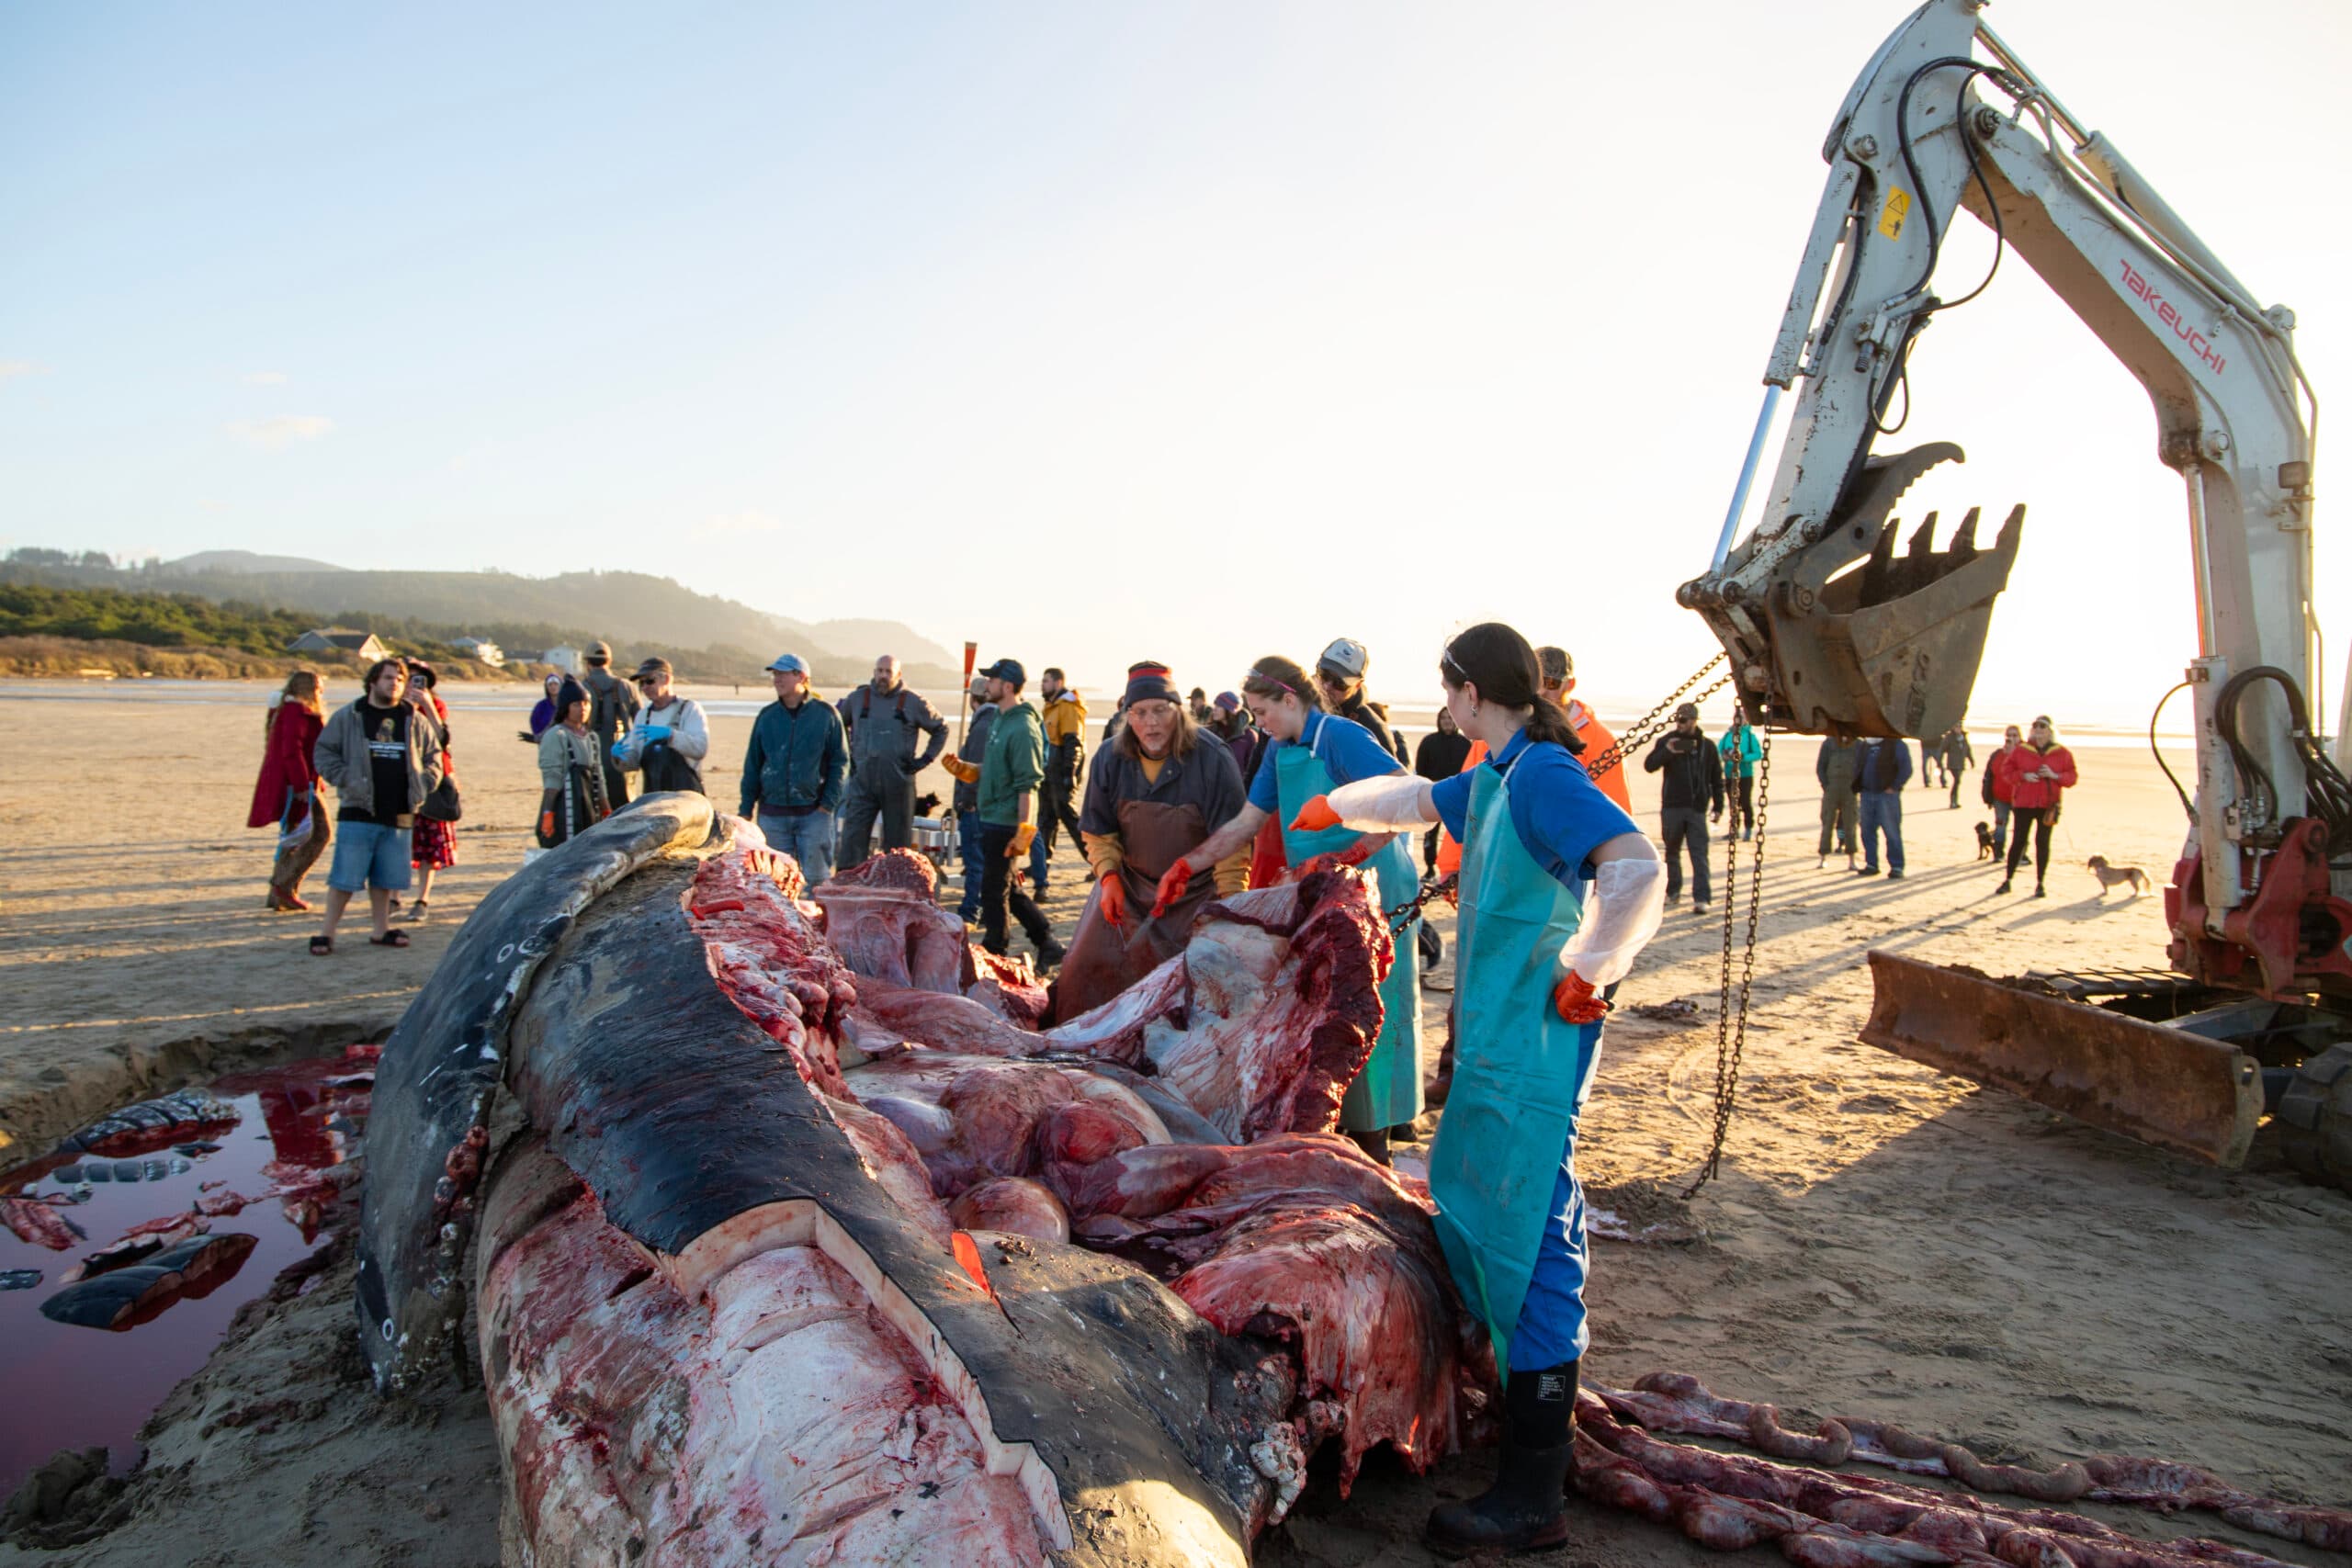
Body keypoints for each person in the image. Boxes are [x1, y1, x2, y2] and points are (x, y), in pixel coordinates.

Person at [1279, 622, 1664, 1554]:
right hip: (1495, 1044)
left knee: (1528, 1236)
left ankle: (1530, 1498)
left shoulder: (1542, 777)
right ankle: (1533, 1449)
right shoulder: (1497, 773)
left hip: (1535, 1042)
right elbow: (1418, 798)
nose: (1443, 703)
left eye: (1447, 690)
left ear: (1467, 689)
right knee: (1492, 1215)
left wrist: (1592, 966)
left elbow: (1635, 864)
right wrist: (1341, 807)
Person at [1156, 653, 1423, 1164]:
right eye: (1253, 714)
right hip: (1324, 887)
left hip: (1377, 880)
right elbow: (1246, 822)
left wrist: (1352, 853)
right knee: (1326, 1003)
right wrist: (1189, 864)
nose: (1259, 722)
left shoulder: (1340, 737)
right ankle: (1335, 1123)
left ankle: (1378, 1139)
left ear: (1290, 699)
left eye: (1263, 711)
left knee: (1373, 1006)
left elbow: (1404, 803)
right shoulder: (1280, 749)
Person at [1050, 663, 1248, 1020]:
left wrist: (1229, 909)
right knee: (1080, 977)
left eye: (1161, 710)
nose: (1150, 722)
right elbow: (1098, 830)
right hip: (1127, 889)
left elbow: (1232, 842)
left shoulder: (1213, 757)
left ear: (1179, 711)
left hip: (1195, 894)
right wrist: (1107, 876)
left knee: (1195, 999)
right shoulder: (1110, 757)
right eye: (1140, 712)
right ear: (1128, 715)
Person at [311, 658, 444, 955]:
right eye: (387, 678)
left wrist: (423, 784)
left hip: (400, 811)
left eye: (399, 679)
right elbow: (324, 751)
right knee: (345, 877)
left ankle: (380, 929)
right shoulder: (351, 716)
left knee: (386, 879)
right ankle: (326, 933)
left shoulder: (414, 718)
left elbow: (435, 754)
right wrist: (346, 779)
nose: (394, 683)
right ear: (372, 682)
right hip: (359, 809)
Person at [940, 660, 1063, 969]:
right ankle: (1047, 942)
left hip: (1007, 820)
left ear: (1007, 686)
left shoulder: (1023, 728)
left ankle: (996, 947)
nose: (987, 685)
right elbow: (995, 769)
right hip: (990, 814)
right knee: (1007, 886)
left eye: (992, 680)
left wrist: (1025, 828)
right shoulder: (1000, 719)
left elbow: (1029, 782)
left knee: (993, 890)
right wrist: (967, 771)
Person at [741, 653, 850, 886]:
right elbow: (753, 764)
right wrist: (746, 809)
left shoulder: (826, 715)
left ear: (801, 677)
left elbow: (840, 762)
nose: (776, 679)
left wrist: (827, 804)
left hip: (814, 814)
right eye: (775, 674)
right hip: (772, 814)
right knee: (773, 883)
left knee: (817, 881)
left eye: (783, 674)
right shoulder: (767, 717)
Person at [837, 654, 949, 867]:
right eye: (879, 671)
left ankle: (895, 893)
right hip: (862, 784)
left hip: (898, 784)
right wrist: (847, 757)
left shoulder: (914, 702)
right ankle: (845, 890)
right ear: (874, 672)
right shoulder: (858, 699)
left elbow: (941, 729)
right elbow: (836, 726)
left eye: (888, 672)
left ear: (898, 675)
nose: (883, 676)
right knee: (851, 844)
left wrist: (925, 759)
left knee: (898, 851)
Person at [248, 670, 328, 911]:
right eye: (319, 687)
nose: (322, 692)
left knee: (292, 836)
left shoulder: (286, 709)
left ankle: (280, 892)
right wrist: (303, 785)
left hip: (294, 782)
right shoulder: (295, 711)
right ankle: (283, 885)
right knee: (318, 834)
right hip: (297, 785)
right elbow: (292, 751)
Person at [1643, 703, 1723, 911]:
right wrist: (1667, 751)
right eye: (1678, 719)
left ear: (1694, 721)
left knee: (1699, 855)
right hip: (1672, 807)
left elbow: (1716, 778)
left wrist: (1719, 806)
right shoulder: (1667, 741)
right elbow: (1649, 765)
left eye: (1684, 720)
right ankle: (1673, 892)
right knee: (1672, 852)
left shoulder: (1708, 747)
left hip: (1697, 808)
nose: (1680, 724)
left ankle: (1702, 898)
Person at [1538, 647, 1630, 812]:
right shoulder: (1500, 729)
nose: (1541, 692)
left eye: (1550, 683)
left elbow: (1616, 812)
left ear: (1569, 684)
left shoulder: (1600, 740)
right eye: (1534, 683)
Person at [1997, 716, 2077, 897]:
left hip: (2048, 806)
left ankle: (2040, 883)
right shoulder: (2021, 751)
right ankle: (2008, 880)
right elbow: (2006, 771)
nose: (2039, 730)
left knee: (2042, 843)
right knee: (2018, 841)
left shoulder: (2062, 753)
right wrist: (2023, 776)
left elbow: (2072, 777)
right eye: (2036, 727)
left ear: (2050, 731)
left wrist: (2054, 775)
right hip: (2024, 803)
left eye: (2043, 727)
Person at [403, 660, 457, 920]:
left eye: (419, 679)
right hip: (400, 780)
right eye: (408, 678)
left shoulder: (435, 705)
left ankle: (422, 898)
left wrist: (425, 706)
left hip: (432, 779)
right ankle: (392, 898)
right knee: (400, 842)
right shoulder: (392, 706)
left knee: (430, 844)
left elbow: (443, 740)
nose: (413, 684)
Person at [1031, 667, 1091, 896]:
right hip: (1048, 772)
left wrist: (1070, 773)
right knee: (1046, 821)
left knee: (1070, 819)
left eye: (1046, 681)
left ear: (1057, 683)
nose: (1042, 685)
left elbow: (1073, 742)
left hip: (1059, 773)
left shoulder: (1067, 707)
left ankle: (1095, 859)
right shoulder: (1051, 708)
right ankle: (1041, 869)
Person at [616, 657, 709, 795]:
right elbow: (633, 762)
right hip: (652, 796)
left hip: (686, 798)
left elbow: (700, 748)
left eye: (649, 681)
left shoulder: (689, 709)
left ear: (666, 679)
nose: (645, 687)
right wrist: (621, 757)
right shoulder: (643, 716)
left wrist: (671, 736)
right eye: (641, 683)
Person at [537, 676, 610, 852]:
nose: (583, 709)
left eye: (586, 703)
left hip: (589, 807)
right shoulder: (556, 735)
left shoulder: (592, 737)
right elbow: (552, 779)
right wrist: (548, 813)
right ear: (565, 707)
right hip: (565, 808)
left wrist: (606, 809)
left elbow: (598, 776)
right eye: (576, 704)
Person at [1314, 637, 1410, 764]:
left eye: (1339, 683)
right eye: (1324, 675)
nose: (1327, 686)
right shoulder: (1293, 707)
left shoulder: (1373, 730)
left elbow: (1390, 781)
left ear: (1358, 685)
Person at [951, 674, 999, 923]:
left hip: (977, 806)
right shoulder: (995, 722)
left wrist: (966, 801)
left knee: (975, 861)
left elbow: (974, 771)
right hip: (989, 804)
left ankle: (971, 909)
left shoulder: (982, 726)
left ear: (974, 699)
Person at [580, 640, 639, 812]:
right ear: (609, 661)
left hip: (589, 754)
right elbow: (642, 722)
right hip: (623, 754)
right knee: (626, 806)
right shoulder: (627, 687)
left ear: (587, 662)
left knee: (594, 808)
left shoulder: (580, 688)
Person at [1414, 706, 1473, 873]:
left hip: (1458, 795)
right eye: (1444, 718)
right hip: (1433, 793)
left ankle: (1458, 867)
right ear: (1439, 721)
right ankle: (1430, 867)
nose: (1447, 721)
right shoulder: (1429, 742)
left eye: (1450, 718)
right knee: (1430, 834)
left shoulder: (1464, 744)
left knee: (1460, 833)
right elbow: (1420, 770)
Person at [1854, 733, 1912, 877]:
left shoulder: (1896, 744)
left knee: (1891, 832)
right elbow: (1857, 765)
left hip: (1886, 796)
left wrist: (1895, 786)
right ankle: (1871, 864)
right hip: (1867, 794)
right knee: (1867, 831)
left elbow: (1906, 768)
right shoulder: (1865, 744)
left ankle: (1897, 867)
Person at [1815, 737, 1862, 870]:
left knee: (1851, 825)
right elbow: (1821, 767)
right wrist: (1826, 785)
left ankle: (1852, 859)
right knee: (1827, 823)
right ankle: (1823, 856)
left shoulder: (1858, 744)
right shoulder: (1829, 743)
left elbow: (1862, 766)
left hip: (1850, 790)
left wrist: (1856, 786)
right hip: (1832, 789)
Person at [1719, 706, 1762, 840]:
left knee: (1745, 802)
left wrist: (1743, 757)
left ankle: (1748, 828)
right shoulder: (1727, 735)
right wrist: (1725, 756)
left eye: (1742, 718)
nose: (1739, 720)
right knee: (1733, 803)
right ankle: (1734, 829)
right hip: (1730, 774)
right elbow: (1719, 750)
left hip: (1745, 775)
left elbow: (1758, 754)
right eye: (1737, 717)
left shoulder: (1750, 736)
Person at [1984, 723, 2024, 860]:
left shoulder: (2026, 753)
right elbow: (1989, 776)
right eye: (2009, 736)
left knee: (2020, 828)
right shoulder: (1997, 754)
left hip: (2020, 797)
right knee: (2000, 825)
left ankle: (2021, 855)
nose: (2011, 738)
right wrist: (1988, 798)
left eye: (2014, 735)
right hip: (2000, 797)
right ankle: (1998, 852)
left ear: (2020, 737)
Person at [1939, 724, 1975, 810]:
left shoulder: (1964, 738)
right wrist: (1939, 761)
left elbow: (1967, 750)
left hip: (1961, 764)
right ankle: (1952, 802)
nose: (1958, 728)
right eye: (1956, 727)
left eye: (1959, 727)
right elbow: (1942, 749)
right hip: (1952, 764)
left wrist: (1971, 761)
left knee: (1957, 783)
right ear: (1953, 728)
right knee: (1957, 781)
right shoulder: (1949, 738)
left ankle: (1955, 801)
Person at [523, 672, 562, 741]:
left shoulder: (566, 705)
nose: (553, 687)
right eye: (550, 684)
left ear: (561, 686)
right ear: (546, 687)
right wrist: (539, 736)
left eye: (556, 684)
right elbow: (534, 721)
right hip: (544, 742)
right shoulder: (541, 706)